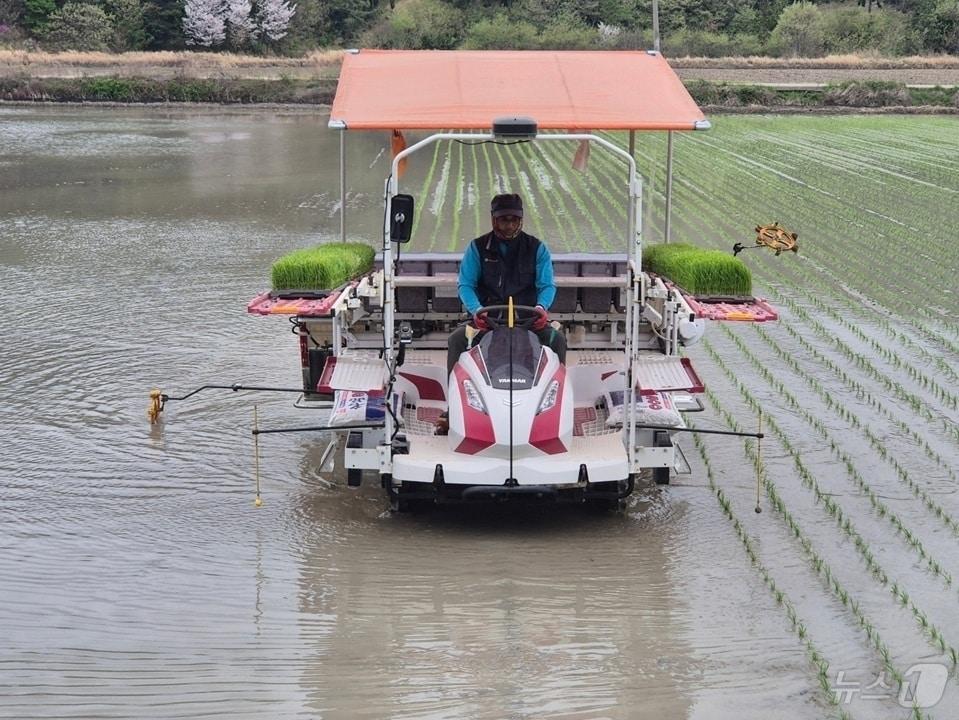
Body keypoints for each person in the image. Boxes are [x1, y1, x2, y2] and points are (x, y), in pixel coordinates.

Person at [446, 193, 567, 377]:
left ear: (521, 220)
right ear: (494, 220)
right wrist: (477, 310)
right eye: (504, 220)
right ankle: (454, 402)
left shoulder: (537, 248)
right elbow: (466, 285)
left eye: (514, 220)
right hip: (487, 320)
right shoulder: (477, 247)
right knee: (456, 340)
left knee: (557, 340)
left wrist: (541, 308)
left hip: (528, 319)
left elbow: (547, 285)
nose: (509, 225)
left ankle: (555, 397)